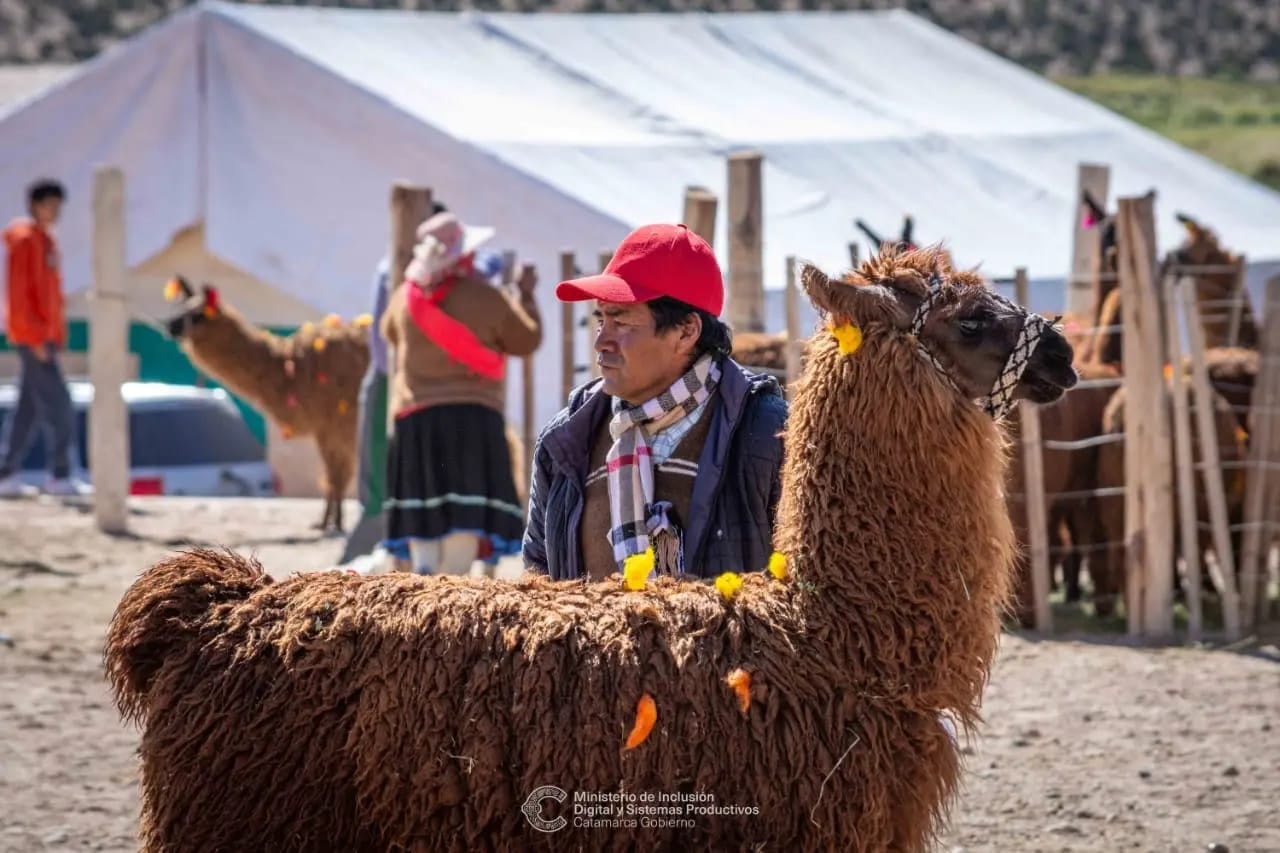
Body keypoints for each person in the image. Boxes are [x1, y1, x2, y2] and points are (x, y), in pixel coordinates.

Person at [523, 223, 788, 582]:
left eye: (621, 321)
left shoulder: (769, 436)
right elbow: (537, 574)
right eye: (601, 318)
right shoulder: (567, 439)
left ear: (685, 332)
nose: (601, 340)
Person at [380, 210, 541, 575]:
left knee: (424, 509)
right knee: (465, 513)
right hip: (472, 420)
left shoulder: (403, 301)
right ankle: (453, 582)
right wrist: (526, 296)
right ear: (465, 256)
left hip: (416, 421)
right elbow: (526, 339)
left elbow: (389, 334)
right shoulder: (488, 299)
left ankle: (424, 575)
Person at [0, 178, 91, 498]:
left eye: (57, 205)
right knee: (60, 407)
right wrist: (36, 337)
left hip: (44, 336)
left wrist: (56, 334)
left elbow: (51, 296)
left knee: (27, 409)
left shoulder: (46, 242)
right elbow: (20, 295)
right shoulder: (25, 241)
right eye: (49, 205)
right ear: (35, 205)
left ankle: (6, 472)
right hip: (32, 337)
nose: (54, 211)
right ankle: (61, 474)